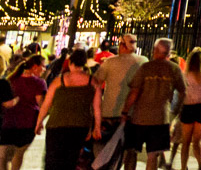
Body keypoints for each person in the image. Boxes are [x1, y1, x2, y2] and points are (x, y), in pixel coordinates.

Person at [123, 38, 186, 170]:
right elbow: (182, 92)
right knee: (153, 155)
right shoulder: (174, 69)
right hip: (161, 118)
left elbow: (134, 92)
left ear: (156, 50)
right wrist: (177, 111)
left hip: (139, 117)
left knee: (132, 151)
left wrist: (125, 111)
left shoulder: (146, 68)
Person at [36, 47, 101, 170]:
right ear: (84, 64)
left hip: (56, 124)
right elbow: (97, 107)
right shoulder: (93, 82)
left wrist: (39, 122)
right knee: (71, 160)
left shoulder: (59, 81)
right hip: (80, 125)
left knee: (52, 161)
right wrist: (96, 127)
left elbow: (46, 104)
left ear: (70, 63)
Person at [93, 34, 147, 163]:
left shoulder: (110, 62)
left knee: (108, 150)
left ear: (122, 45)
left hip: (110, 112)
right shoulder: (143, 61)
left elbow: (96, 84)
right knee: (131, 151)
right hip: (134, 114)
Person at [2, 55, 45, 170]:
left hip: (8, 121)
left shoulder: (11, 79)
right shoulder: (39, 83)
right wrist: (40, 122)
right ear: (35, 67)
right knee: (19, 153)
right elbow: (40, 104)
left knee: (3, 156)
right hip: (27, 122)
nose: (44, 69)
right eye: (43, 66)